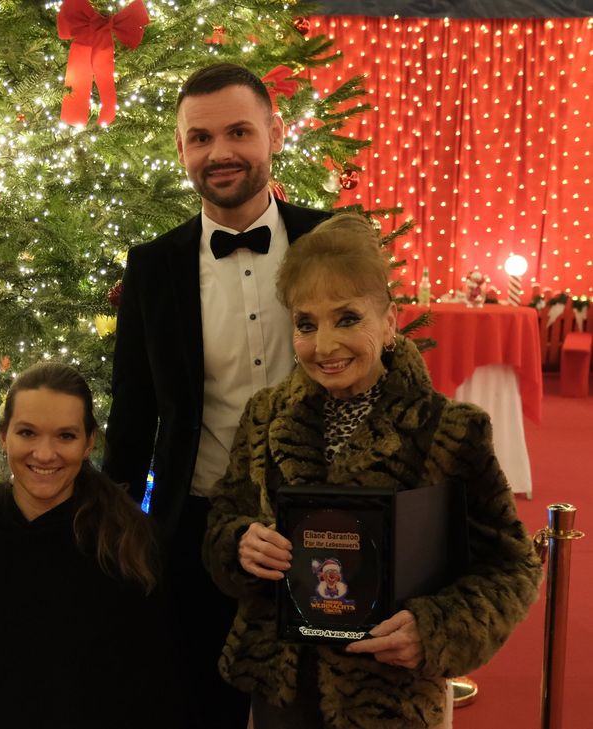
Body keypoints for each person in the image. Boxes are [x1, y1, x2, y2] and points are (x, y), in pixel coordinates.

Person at [202, 214, 542, 728]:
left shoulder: (449, 430)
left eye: (347, 318)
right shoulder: (266, 416)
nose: (324, 346)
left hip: (391, 700)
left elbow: (512, 566)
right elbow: (224, 521)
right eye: (306, 324)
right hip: (282, 692)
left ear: (389, 321)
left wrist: (435, 630)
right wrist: (239, 544)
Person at [103, 62, 332, 727]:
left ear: (275, 133)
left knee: (314, 708)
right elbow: (134, 409)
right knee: (201, 704)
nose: (220, 152)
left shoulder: (333, 240)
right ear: (181, 149)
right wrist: (120, 534)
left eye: (239, 131)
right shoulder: (153, 267)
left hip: (325, 521)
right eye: (200, 138)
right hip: (200, 531)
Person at [0, 362, 181, 728]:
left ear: (89, 441)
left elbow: (151, 692)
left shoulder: (126, 542)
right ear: (3, 436)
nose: (44, 454)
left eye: (65, 436)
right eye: (27, 433)